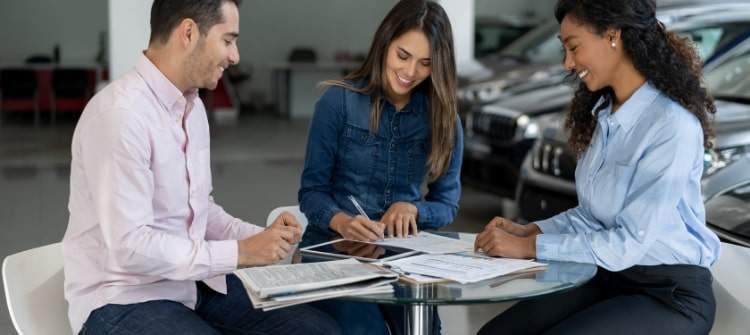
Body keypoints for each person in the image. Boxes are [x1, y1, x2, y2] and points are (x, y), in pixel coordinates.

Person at [62, 1, 341, 334]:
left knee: (318, 329)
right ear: (189, 33)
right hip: (123, 297)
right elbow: (130, 248)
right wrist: (239, 253)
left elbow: (199, 211)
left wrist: (264, 240)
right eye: (228, 40)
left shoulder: (191, 107)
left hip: (191, 283)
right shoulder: (120, 116)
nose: (235, 56)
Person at [475, 0, 720, 334]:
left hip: (670, 294)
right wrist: (534, 231)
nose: (568, 62)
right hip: (607, 274)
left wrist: (528, 248)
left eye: (574, 47)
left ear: (612, 35)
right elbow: (592, 217)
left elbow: (628, 242)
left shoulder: (671, 126)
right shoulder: (604, 114)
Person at [297, 0, 463, 333]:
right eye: (403, 55)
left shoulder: (444, 119)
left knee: (423, 330)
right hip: (334, 251)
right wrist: (342, 221)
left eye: (425, 63)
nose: (410, 72)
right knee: (364, 329)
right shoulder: (337, 102)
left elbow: (447, 204)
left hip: (404, 255)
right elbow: (312, 193)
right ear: (384, 42)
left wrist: (413, 210)